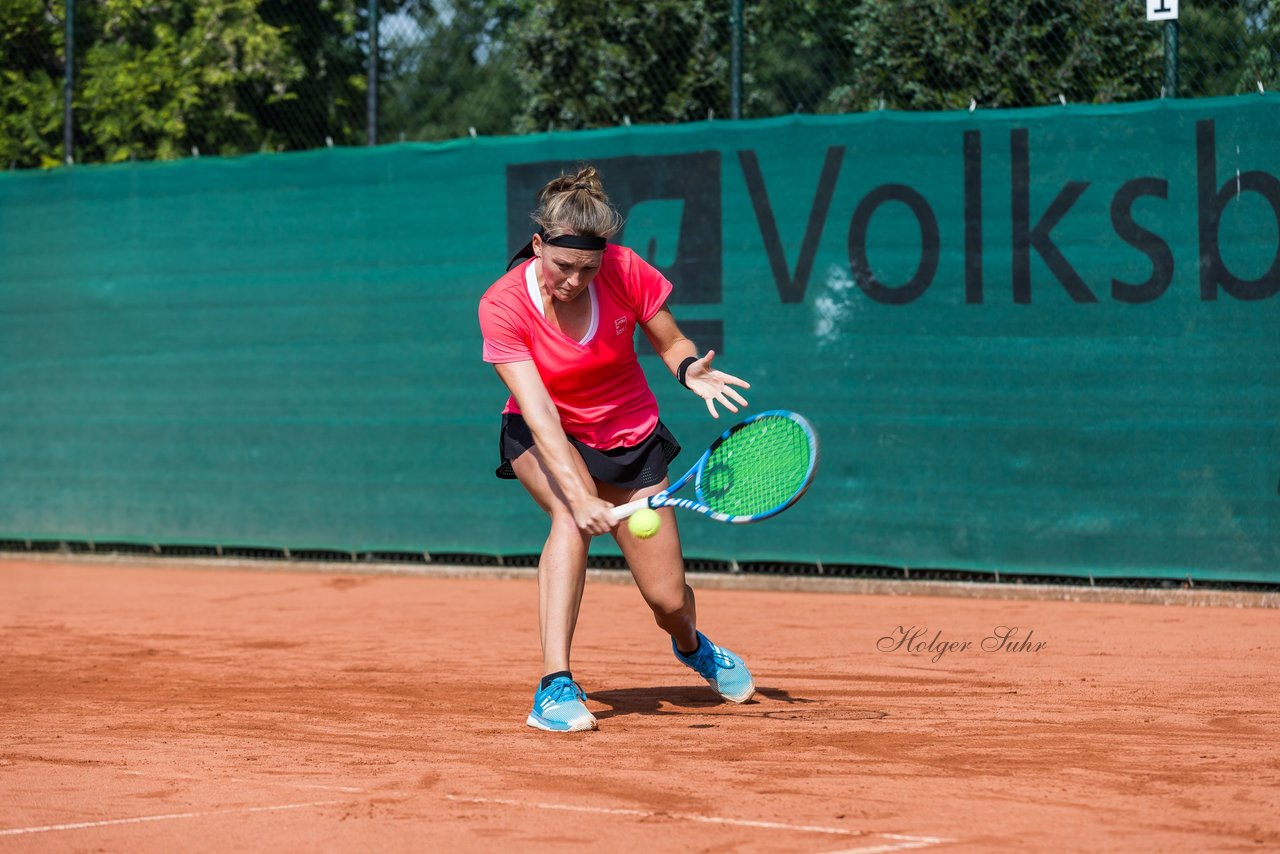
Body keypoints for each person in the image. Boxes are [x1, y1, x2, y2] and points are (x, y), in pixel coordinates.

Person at [478, 164, 755, 733]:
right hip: (546, 432)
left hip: (631, 435)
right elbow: (540, 413)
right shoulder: (502, 305)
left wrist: (686, 370)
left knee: (668, 599)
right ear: (538, 246)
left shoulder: (626, 270)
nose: (575, 281)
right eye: (562, 266)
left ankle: (692, 646)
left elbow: (671, 339)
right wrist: (579, 497)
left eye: (587, 268)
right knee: (568, 520)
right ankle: (554, 685)